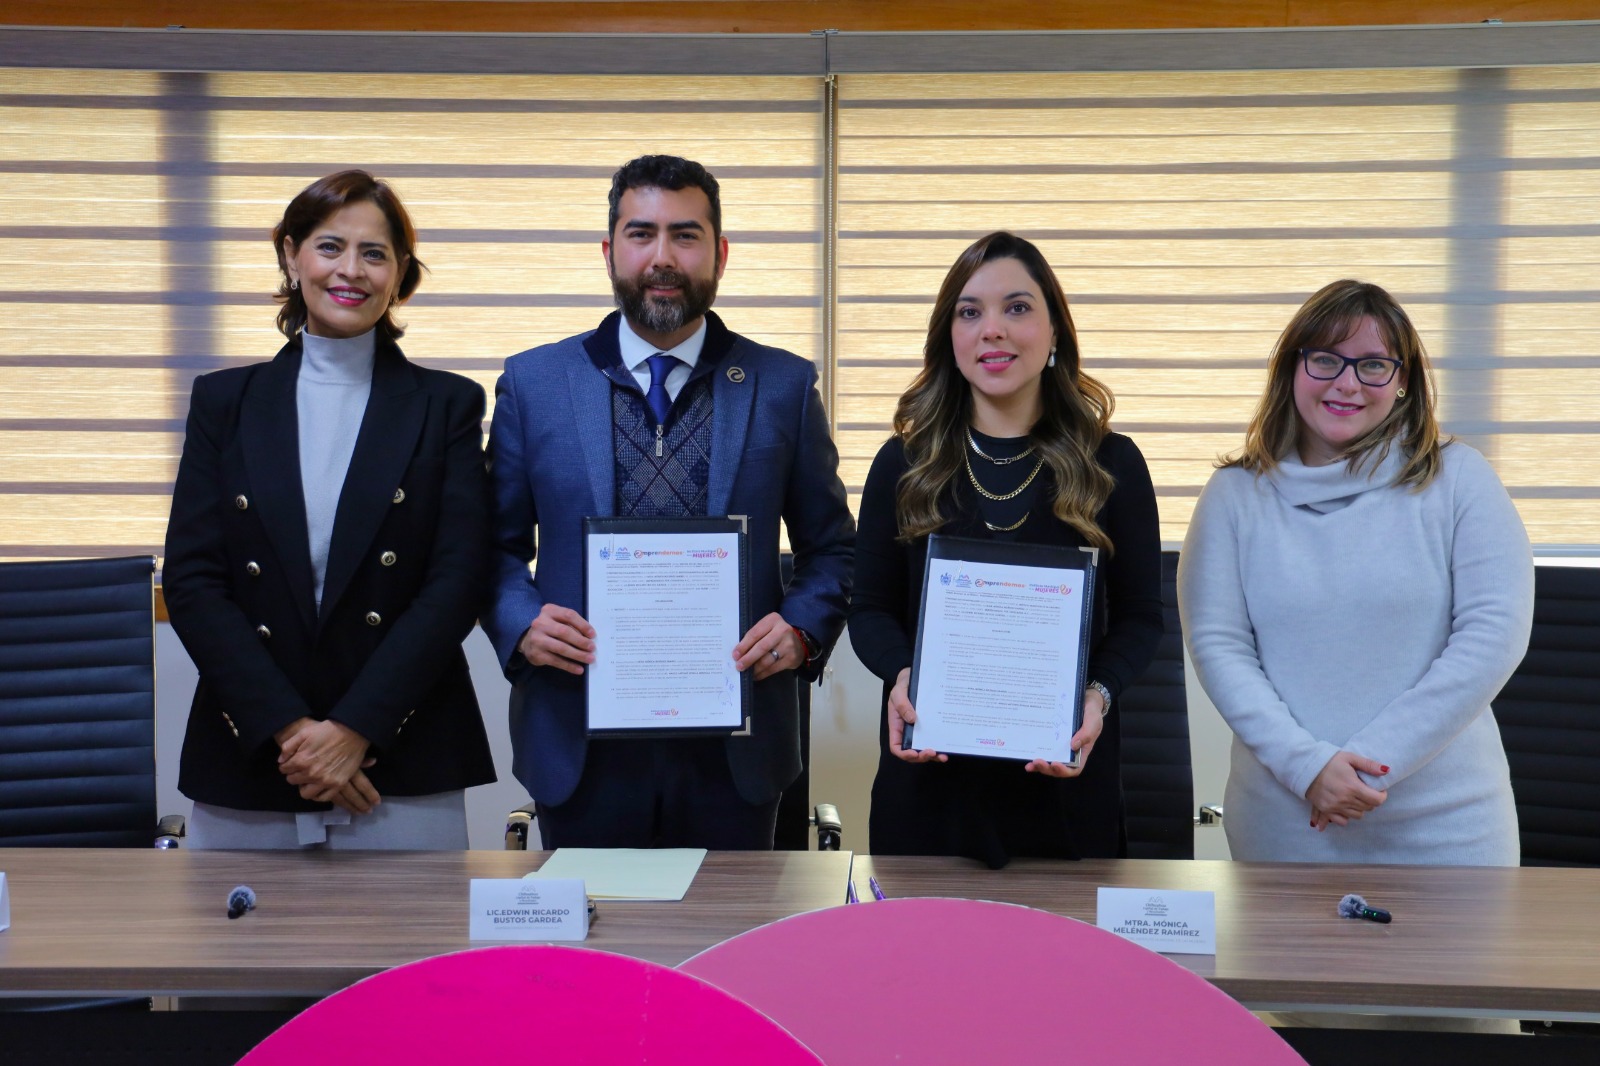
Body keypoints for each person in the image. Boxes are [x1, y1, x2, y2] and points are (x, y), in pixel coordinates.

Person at [484, 154, 854, 850]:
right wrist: (521, 621)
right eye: (641, 234)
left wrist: (801, 629)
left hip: (735, 748)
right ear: (609, 251)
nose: (662, 257)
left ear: (720, 253)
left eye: (685, 235)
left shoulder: (782, 386)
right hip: (579, 738)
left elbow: (833, 548)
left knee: (729, 925)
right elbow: (488, 548)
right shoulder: (534, 384)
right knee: (593, 925)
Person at [164, 169, 496, 849]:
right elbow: (193, 581)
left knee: (414, 928)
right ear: (292, 256)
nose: (351, 271)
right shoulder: (224, 402)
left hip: (401, 757)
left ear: (400, 274)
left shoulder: (448, 404)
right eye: (329, 246)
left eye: (375, 254)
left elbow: (456, 581)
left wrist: (355, 730)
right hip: (253, 756)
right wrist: (294, 734)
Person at [1178, 279, 1534, 865]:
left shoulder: (1459, 479)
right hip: (1284, 827)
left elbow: (1493, 636)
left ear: (1402, 382)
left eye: (1372, 365)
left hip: (1449, 829)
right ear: (1291, 369)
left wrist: (1364, 768)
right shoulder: (1233, 495)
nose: (1347, 383)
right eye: (1325, 359)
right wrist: (1307, 767)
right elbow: (1219, 646)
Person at [850, 231, 1162, 868]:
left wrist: (1098, 694)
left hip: (1064, 793)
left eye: (1017, 308)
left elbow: (1140, 618)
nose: (992, 329)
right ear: (950, 337)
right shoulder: (902, 463)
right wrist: (903, 675)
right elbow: (870, 609)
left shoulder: (1113, 464)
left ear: (1055, 331)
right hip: (930, 789)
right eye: (970, 312)